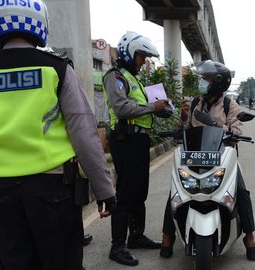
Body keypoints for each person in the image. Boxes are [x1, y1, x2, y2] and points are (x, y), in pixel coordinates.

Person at [0, 1, 117, 269]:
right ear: (38, 22)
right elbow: (84, 134)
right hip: (53, 192)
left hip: (1, 194)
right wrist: (104, 190)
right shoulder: (55, 68)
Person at [159, 60, 255, 261]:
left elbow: (237, 130)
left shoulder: (230, 105)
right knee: (176, 190)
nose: (202, 83)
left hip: (223, 158)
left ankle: (249, 238)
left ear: (218, 82)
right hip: (195, 157)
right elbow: (185, 130)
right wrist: (184, 116)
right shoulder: (195, 102)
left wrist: (214, 124)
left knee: (241, 191)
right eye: (202, 79)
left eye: (206, 79)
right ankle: (167, 235)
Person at [102, 31, 171, 266]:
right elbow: (121, 108)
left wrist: (162, 108)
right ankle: (117, 246)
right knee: (126, 193)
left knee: (140, 192)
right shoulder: (115, 77)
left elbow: (142, 106)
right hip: (125, 140)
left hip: (139, 141)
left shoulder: (135, 79)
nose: (144, 62)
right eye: (141, 57)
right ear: (130, 53)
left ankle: (137, 236)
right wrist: (153, 107)